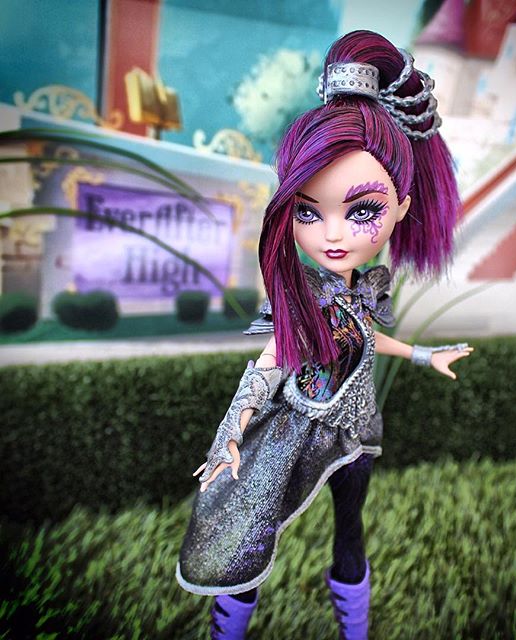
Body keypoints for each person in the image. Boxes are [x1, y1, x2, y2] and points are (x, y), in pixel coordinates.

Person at [175, 29, 474, 640]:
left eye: (361, 210)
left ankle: (354, 627)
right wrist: (231, 431)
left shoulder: (364, 290)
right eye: (308, 211)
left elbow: (364, 340)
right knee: (250, 532)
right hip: (294, 432)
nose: (331, 235)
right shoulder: (305, 293)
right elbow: (270, 362)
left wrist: (423, 355)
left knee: (350, 532)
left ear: (402, 207)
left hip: (355, 431)